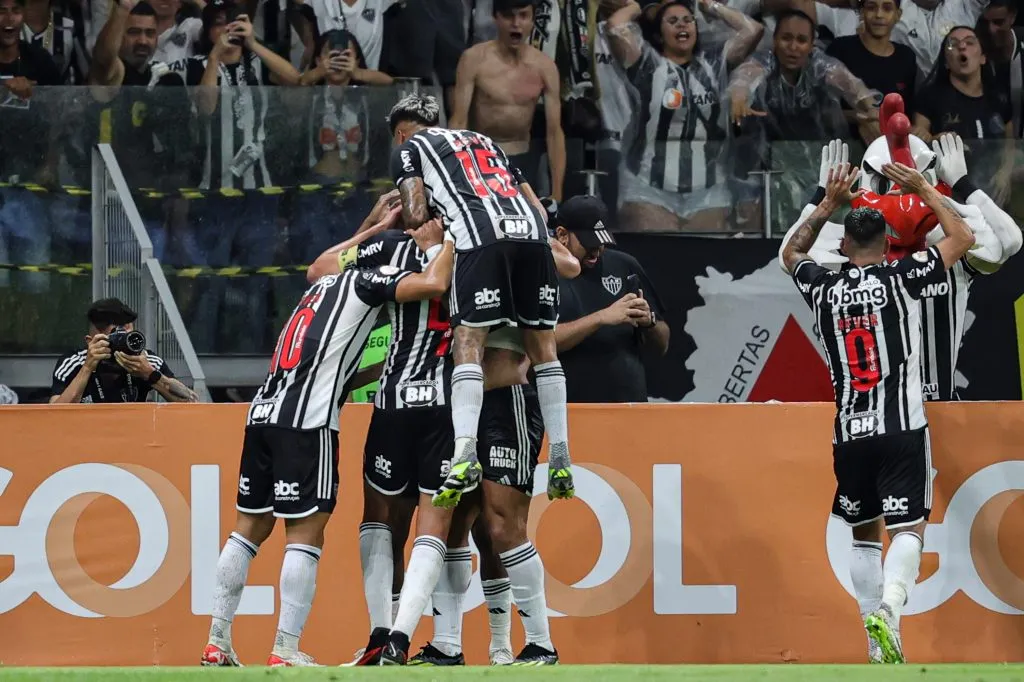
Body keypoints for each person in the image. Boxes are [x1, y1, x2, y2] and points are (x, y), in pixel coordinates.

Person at [199, 214, 453, 668]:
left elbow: (319, 264)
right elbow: (434, 284)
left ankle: (217, 641)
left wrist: (377, 222)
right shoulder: (372, 283)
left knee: (247, 530)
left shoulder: (319, 285)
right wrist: (448, 235)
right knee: (305, 534)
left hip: (263, 411)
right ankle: (285, 648)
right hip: (307, 421)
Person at [781, 156, 975, 664]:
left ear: (844, 247)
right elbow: (962, 240)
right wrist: (924, 190)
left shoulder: (823, 288)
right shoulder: (901, 277)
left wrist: (827, 201)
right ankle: (889, 609)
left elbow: (791, 253)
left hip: (850, 432)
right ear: (889, 246)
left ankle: (876, 648)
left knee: (864, 534)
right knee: (908, 529)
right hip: (902, 427)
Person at [605, 0, 763, 232]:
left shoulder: (714, 63)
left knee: (708, 265)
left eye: (688, 20)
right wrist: (637, 6)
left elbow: (753, 30)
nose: (682, 25)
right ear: (660, 35)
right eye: (673, 21)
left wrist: (710, 6)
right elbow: (614, 27)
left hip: (709, 190)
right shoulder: (646, 64)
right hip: (648, 189)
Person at [553, 196, 669, 402]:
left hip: (628, 405)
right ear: (562, 235)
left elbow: (663, 345)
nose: (596, 251)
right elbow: (540, 344)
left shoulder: (625, 266)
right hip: (569, 407)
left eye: (601, 243)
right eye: (589, 243)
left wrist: (649, 321)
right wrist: (601, 318)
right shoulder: (544, 271)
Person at [448, 0, 565, 200]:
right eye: (509, 16)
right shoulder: (474, 59)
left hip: (523, 160)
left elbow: (554, 132)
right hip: (480, 157)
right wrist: (453, 175)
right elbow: (458, 121)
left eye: (523, 16)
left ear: (532, 20)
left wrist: (557, 192)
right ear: (496, 18)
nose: (516, 23)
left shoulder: (545, 67)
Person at [914, 26, 1014, 205]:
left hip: (993, 189)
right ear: (946, 61)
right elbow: (919, 141)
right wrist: (934, 139)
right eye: (953, 44)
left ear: (983, 57)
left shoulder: (999, 98)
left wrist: (1005, 173)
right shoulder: (930, 96)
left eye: (969, 42)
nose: (962, 47)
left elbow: (1010, 143)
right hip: (950, 195)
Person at [50, 298, 198, 404]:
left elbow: (191, 402)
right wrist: (87, 367)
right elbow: (53, 414)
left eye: (126, 335)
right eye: (113, 336)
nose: (120, 342)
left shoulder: (145, 360)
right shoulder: (75, 361)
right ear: (91, 342)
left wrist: (150, 375)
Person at [825, 0, 917, 142]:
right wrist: (858, 117)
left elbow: (907, 113)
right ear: (862, 12)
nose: (879, 14)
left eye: (887, 8)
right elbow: (823, 111)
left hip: (891, 152)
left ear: (898, 15)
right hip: (845, 147)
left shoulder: (906, 57)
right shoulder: (840, 49)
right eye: (871, 7)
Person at [979, 0, 1024, 139]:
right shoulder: (975, 49)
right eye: (987, 23)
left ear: (1012, 17)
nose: (991, 29)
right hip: (991, 144)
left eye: (998, 22)